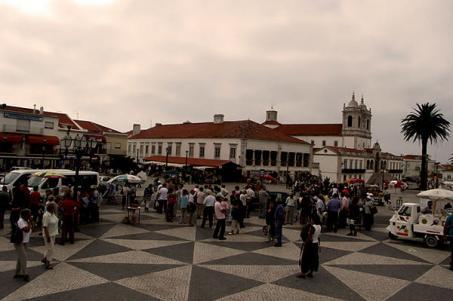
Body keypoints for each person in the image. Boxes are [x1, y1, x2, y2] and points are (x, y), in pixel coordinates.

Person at [298, 214, 321, 278]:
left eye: (311, 219)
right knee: (313, 258)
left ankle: (303, 273)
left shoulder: (311, 227)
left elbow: (309, 236)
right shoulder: (319, 226)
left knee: (305, 258)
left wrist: (305, 242)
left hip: (309, 244)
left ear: (313, 219)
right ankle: (311, 272)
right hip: (315, 244)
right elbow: (318, 236)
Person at [13, 209, 32, 281]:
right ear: (25, 215)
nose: (30, 216)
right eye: (29, 214)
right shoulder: (21, 221)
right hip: (19, 242)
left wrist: (30, 222)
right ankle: (25, 274)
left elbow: (31, 229)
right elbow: (26, 230)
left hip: (25, 242)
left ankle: (17, 273)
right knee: (24, 257)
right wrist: (30, 222)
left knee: (20, 258)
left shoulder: (26, 220)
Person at [41, 202, 58, 269]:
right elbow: (45, 227)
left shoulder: (53, 214)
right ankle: (48, 262)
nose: (56, 208)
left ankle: (44, 259)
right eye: (54, 207)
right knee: (51, 249)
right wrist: (47, 236)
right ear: (51, 208)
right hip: (48, 234)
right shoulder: (46, 215)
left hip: (53, 233)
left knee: (49, 248)